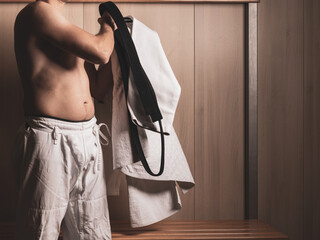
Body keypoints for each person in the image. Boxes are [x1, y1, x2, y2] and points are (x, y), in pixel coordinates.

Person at [12, 0, 117, 239]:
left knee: (92, 232)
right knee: (40, 231)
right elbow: (101, 51)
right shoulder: (37, 12)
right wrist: (110, 26)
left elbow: (98, 90)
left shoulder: (67, 28)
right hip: (50, 138)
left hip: (87, 137)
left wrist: (120, 46)